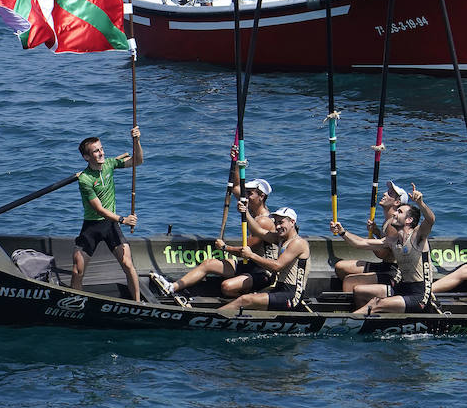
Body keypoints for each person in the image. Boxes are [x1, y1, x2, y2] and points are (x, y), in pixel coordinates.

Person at [149, 177, 277, 308]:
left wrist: (225, 247)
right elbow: (236, 187)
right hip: (250, 265)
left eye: (250, 193)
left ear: (261, 196)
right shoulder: (251, 207)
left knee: (227, 287)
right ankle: (171, 287)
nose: (245, 196)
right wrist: (237, 161)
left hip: (263, 272)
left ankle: (253, 300)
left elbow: (245, 251)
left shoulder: (264, 221)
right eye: (246, 193)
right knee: (208, 264)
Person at [332, 185, 437, 314]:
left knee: (376, 304)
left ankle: (350, 320)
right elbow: (361, 243)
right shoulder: (392, 241)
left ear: (409, 220)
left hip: (418, 295)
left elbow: (430, 220)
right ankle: (366, 324)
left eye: (399, 212)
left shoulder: (417, 236)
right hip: (401, 287)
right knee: (359, 291)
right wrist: (343, 232)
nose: (394, 213)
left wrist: (420, 203)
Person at [71, 127, 143, 300]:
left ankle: (139, 304)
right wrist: (123, 219)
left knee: (127, 263)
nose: (101, 153)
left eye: (101, 149)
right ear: (86, 157)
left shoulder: (110, 164)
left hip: (110, 226)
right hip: (92, 225)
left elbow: (137, 161)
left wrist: (137, 141)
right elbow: (99, 209)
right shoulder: (85, 179)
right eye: (96, 151)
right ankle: (73, 301)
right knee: (77, 268)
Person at [218, 208, 311, 314]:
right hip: (279, 289)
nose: (277, 226)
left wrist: (251, 255)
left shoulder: (298, 243)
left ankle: (214, 316)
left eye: (281, 222)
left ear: (292, 222)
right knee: (250, 298)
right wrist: (246, 211)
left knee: (245, 299)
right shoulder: (281, 239)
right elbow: (258, 231)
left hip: (292, 296)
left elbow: (277, 266)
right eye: (275, 223)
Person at [332, 180, 406, 292]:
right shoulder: (388, 221)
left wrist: (344, 232)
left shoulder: (393, 224)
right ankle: (365, 292)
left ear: (396, 202)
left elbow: (382, 254)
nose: (385, 194)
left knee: (349, 281)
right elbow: (386, 243)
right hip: (384, 266)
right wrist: (376, 231)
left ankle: (361, 295)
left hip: (392, 271)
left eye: (390, 193)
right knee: (340, 267)